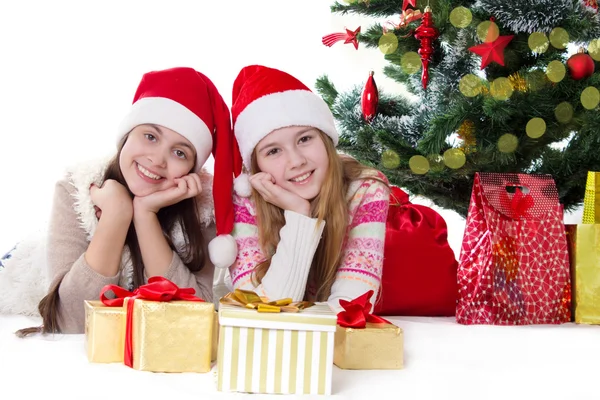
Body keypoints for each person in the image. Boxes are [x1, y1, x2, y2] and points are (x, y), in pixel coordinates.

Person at [1, 67, 238, 334]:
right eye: (150, 136)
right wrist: (116, 214)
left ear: (192, 170)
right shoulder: (77, 189)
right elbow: (69, 322)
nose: (158, 160)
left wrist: (144, 214)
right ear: (126, 136)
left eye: (179, 153)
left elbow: (192, 317)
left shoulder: (201, 209)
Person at [209, 65, 390, 311]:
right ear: (255, 166)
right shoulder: (244, 200)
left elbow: (351, 310)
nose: (296, 161)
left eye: (305, 139)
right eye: (273, 151)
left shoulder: (366, 189)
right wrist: (298, 214)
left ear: (325, 139)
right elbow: (260, 311)